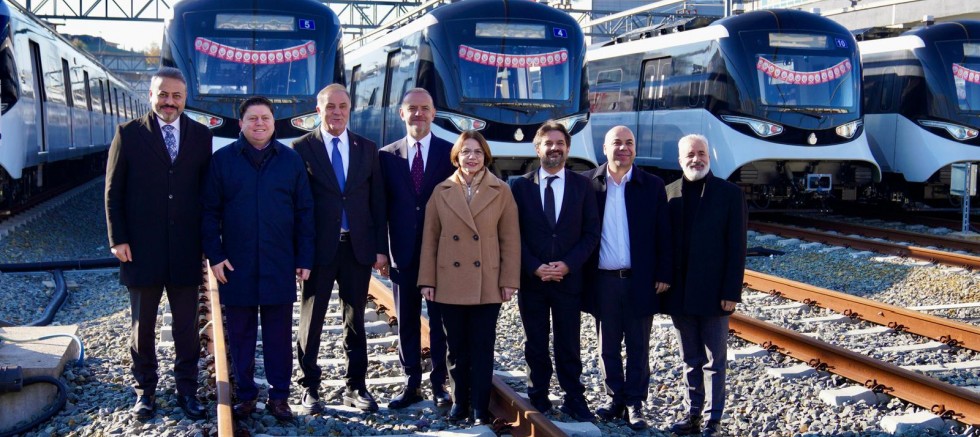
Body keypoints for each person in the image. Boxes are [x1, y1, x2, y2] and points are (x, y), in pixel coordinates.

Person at [104, 67, 211, 421]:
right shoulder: (128, 134)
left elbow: (206, 194)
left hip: (184, 249)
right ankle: (144, 392)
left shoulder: (200, 135)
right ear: (151, 96)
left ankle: (186, 391)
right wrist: (118, 238)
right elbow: (113, 192)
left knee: (186, 328)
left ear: (185, 99)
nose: (169, 102)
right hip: (140, 250)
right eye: (163, 95)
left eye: (176, 96)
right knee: (142, 328)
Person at [201, 97, 314, 421]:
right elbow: (208, 212)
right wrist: (216, 256)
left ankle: (280, 397)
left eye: (265, 118)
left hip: (279, 262)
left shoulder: (291, 161)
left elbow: (305, 212)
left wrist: (304, 256)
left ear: (273, 122)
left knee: (279, 336)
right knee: (241, 335)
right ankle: (247, 395)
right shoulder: (222, 161)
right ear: (241, 124)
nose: (260, 124)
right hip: (238, 265)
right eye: (253, 119)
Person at [293, 84, 388, 413]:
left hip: (356, 248)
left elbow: (377, 202)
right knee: (312, 320)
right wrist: (299, 253)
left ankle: (356, 386)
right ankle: (309, 388)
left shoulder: (367, 148)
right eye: (330, 106)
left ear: (350, 109)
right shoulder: (302, 148)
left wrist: (380, 248)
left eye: (342, 106)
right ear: (318, 110)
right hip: (318, 250)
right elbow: (298, 206)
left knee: (355, 321)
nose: (336, 112)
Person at [417, 130, 520, 425]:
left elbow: (510, 239)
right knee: (455, 348)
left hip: (487, 282)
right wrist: (428, 280)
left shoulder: (501, 190)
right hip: (450, 281)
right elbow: (430, 239)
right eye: (465, 152)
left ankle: (478, 407)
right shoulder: (442, 191)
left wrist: (509, 280)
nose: (471, 157)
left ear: (485, 155)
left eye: (476, 151)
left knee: (482, 346)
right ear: (456, 157)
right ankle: (459, 402)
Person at [582, 126, 672, 430]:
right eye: (617, 143)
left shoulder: (652, 185)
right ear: (605, 148)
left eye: (629, 143)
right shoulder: (588, 184)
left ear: (635, 149)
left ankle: (635, 402)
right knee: (606, 345)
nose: (624, 148)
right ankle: (615, 398)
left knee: (638, 345)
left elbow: (664, 234)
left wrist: (663, 272)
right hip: (603, 279)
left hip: (641, 279)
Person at [509, 121, 600, 422]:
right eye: (548, 143)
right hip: (532, 280)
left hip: (568, 280)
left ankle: (574, 397)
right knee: (534, 341)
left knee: (569, 343)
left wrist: (568, 264)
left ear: (567, 148)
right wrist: (534, 266)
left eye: (560, 143)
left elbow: (591, 234)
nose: (554, 148)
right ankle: (539, 396)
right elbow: (512, 234)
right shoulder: (519, 186)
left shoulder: (583, 185)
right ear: (538, 149)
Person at [663, 134, 747, 437]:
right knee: (690, 358)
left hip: (714, 295)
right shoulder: (669, 193)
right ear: (680, 159)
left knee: (714, 361)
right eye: (690, 154)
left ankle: (713, 420)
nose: (696, 159)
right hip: (680, 294)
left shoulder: (729, 194)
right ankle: (692, 414)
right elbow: (663, 243)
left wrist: (730, 292)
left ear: (709, 156)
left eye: (701, 153)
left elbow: (737, 247)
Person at [379, 88, 455, 409]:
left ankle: (439, 384)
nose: (418, 114)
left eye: (425, 108)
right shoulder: (385, 156)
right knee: (407, 319)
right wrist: (381, 251)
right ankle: (411, 382)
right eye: (412, 108)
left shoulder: (450, 152)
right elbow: (378, 207)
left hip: (439, 254)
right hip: (403, 253)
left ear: (434, 114)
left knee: (439, 321)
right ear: (402, 113)